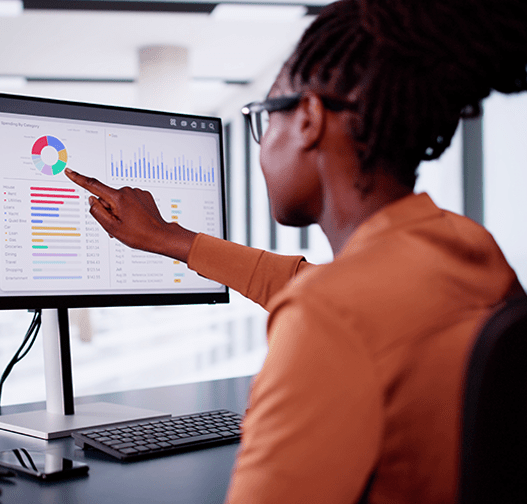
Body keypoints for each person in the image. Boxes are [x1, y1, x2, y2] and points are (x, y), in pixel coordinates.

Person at [66, 0, 527, 501]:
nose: (262, 146)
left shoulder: (329, 318)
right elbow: (328, 289)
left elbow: (330, 306)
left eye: (265, 117)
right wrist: (170, 239)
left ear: (308, 118)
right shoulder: (467, 246)